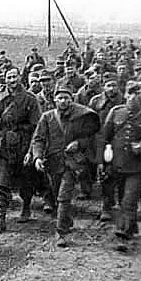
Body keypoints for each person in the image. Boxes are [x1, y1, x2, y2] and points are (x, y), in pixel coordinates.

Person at [31, 86, 100, 247]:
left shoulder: (80, 117)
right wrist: (37, 157)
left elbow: (90, 137)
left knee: (64, 196)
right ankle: (66, 220)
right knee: (56, 194)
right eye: (60, 98)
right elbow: (38, 139)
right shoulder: (47, 117)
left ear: (72, 100)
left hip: (72, 162)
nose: (63, 101)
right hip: (53, 163)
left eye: (67, 98)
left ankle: (61, 232)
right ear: (54, 100)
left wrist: (78, 143)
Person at [98, 81, 141, 240]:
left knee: (130, 198)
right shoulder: (115, 112)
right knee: (122, 199)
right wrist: (101, 161)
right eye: (130, 93)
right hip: (116, 164)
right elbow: (103, 138)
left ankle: (124, 231)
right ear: (125, 95)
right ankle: (131, 226)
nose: (133, 97)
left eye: (138, 94)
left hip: (137, 166)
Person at [0, 68, 41, 234]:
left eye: (14, 76)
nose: (12, 80)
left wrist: (32, 151)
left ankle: (26, 207)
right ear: (5, 80)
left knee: (26, 179)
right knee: (1, 181)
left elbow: (37, 128)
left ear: (20, 77)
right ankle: (1, 218)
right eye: (9, 77)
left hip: (24, 144)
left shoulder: (30, 99)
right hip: (3, 145)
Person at [89, 73, 125, 222]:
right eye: (108, 85)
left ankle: (123, 204)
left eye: (114, 85)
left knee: (123, 174)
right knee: (106, 174)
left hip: (120, 143)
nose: (111, 88)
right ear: (103, 86)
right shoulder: (96, 101)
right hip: (102, 141)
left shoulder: (125, 101)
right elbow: (88, 120)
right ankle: (106, 206)